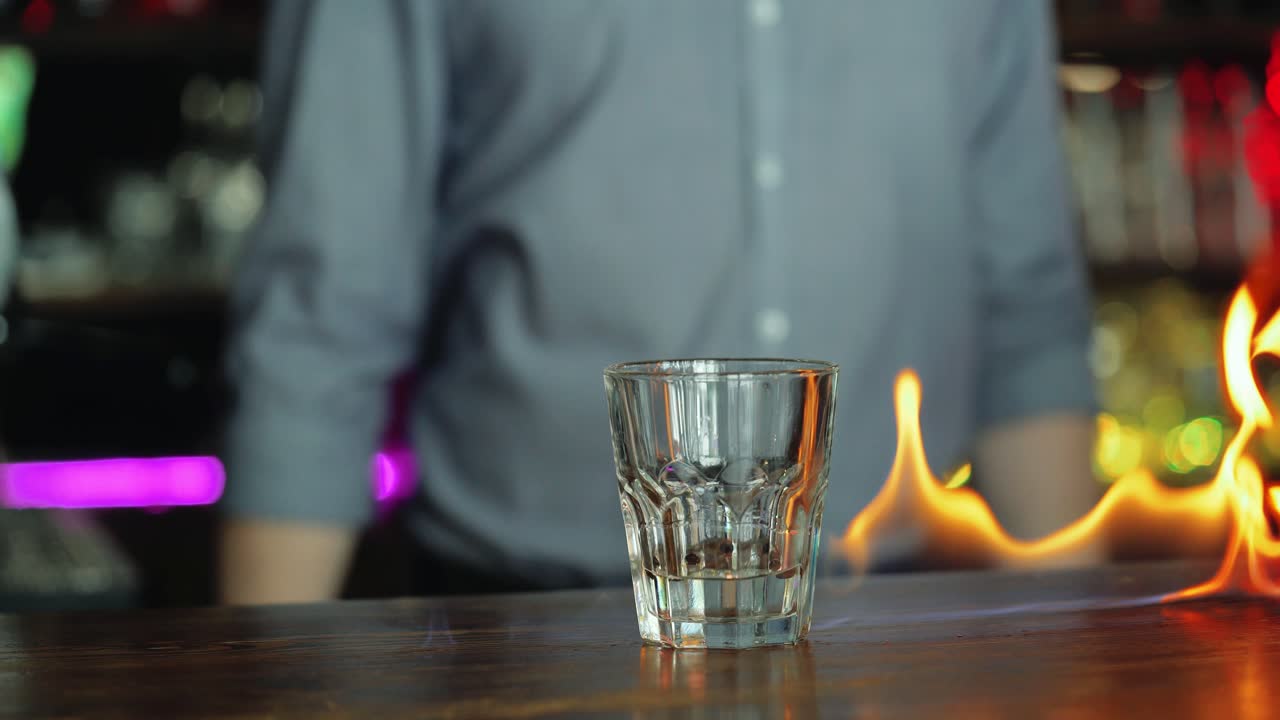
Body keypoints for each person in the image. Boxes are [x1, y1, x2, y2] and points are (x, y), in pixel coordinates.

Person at [221, 0, 1102, 604]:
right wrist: (262, 684)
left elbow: (1026, 313)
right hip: (523, 619)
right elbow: (318, 320)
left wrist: (1080, 668)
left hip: (903, 614)